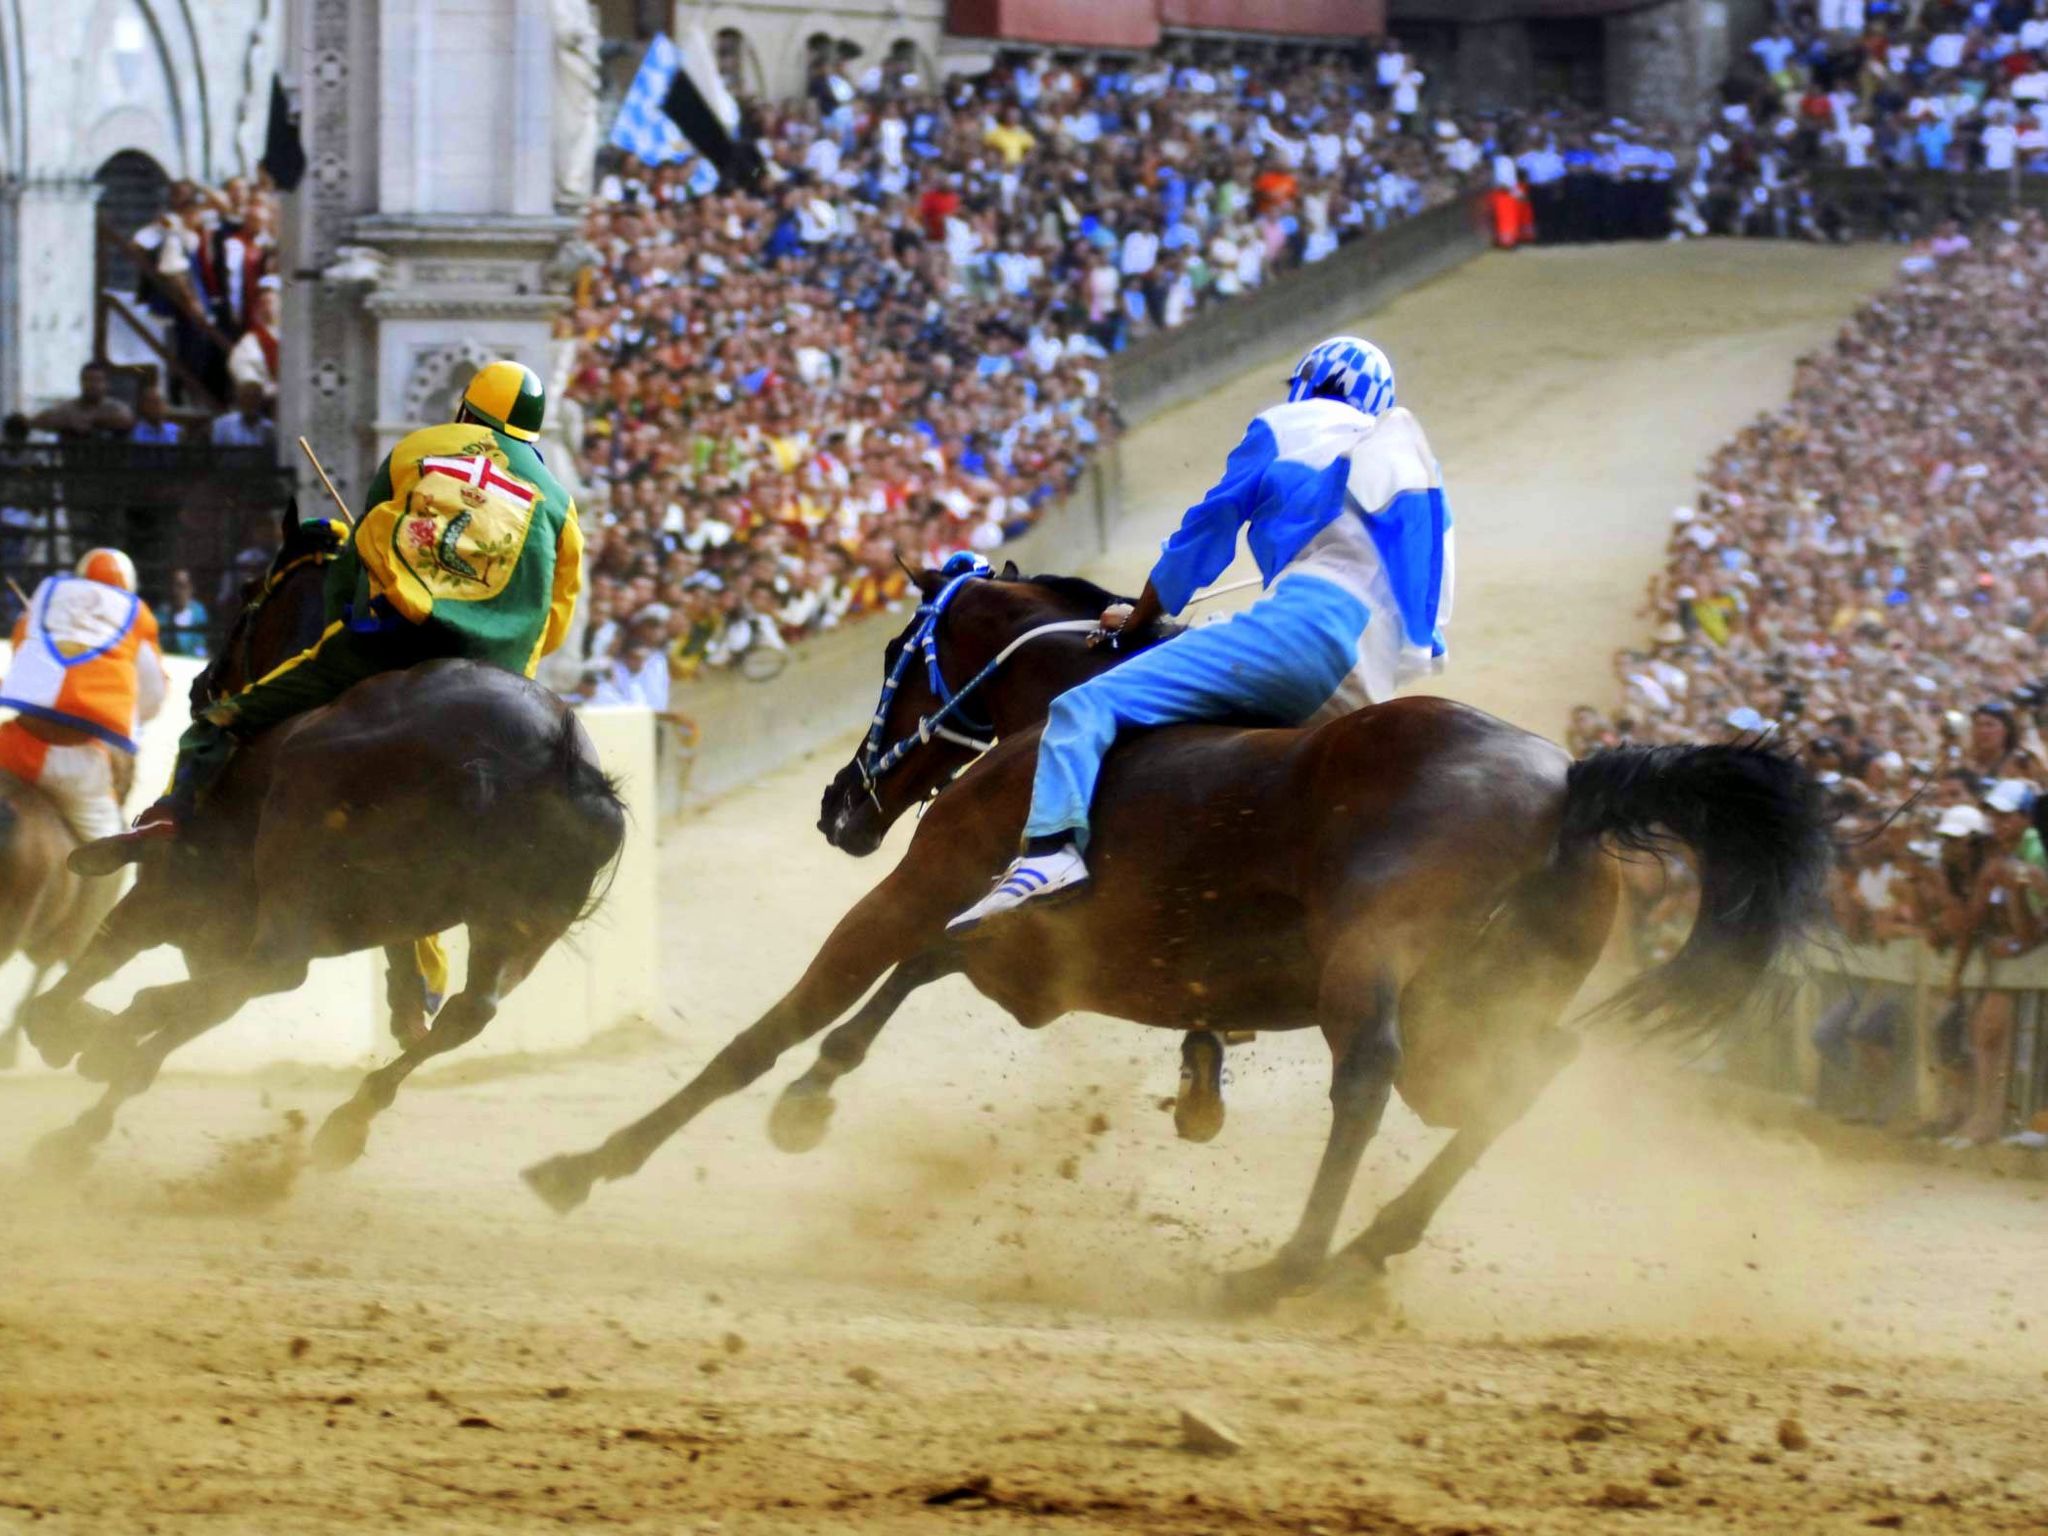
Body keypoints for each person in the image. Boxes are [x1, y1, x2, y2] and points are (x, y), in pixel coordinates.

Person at [948, 335, 1451, 933]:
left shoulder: (1290, 424)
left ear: (1311, 379)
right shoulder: (1396, 462)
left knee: (1083, 706)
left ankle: (1049, 854)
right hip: (1371, 674)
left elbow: (1205, 534)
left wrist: (1140, 616)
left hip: (1306, 630)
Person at [74, 359, 584, 871]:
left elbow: (359, 561)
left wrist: (351, 612)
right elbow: (557, 620)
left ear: (465, 408)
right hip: (500, 673)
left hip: (393, 643)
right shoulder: (561, 504)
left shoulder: (416, 450)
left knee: (224, 715)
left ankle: (169, 818)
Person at [0, 549, 168, 929]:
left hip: (10, 745)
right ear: (128, 586)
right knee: (111, 855)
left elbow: (22, 651)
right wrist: (129, 719)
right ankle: (83, 942)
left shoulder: (47, 598)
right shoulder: (136, 615)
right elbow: (153, 693)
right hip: (74, 763)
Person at [29, 364, 135, 441]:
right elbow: (39, 421)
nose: (92, 385)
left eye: (97, 380)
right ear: (81, 382)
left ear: (106, 384)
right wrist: (70, 423)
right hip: (74, 467)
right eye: (88, 380)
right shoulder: (69, 407)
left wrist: (93, 422)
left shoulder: (116, 407)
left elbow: (127, 420)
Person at [209, 380, 274, 448]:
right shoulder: (222, 425)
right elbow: (216, 454)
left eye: (255, 397)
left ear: (261, 401)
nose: (250, 401)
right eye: (246, 396)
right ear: (239, 399)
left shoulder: (269, 428)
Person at [161, 568, 209, 658]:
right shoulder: (161, 614)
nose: (176, 592)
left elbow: (201, 645)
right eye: (173, 586)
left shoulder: (198, 613)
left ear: (191, 589)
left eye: (181, 586)